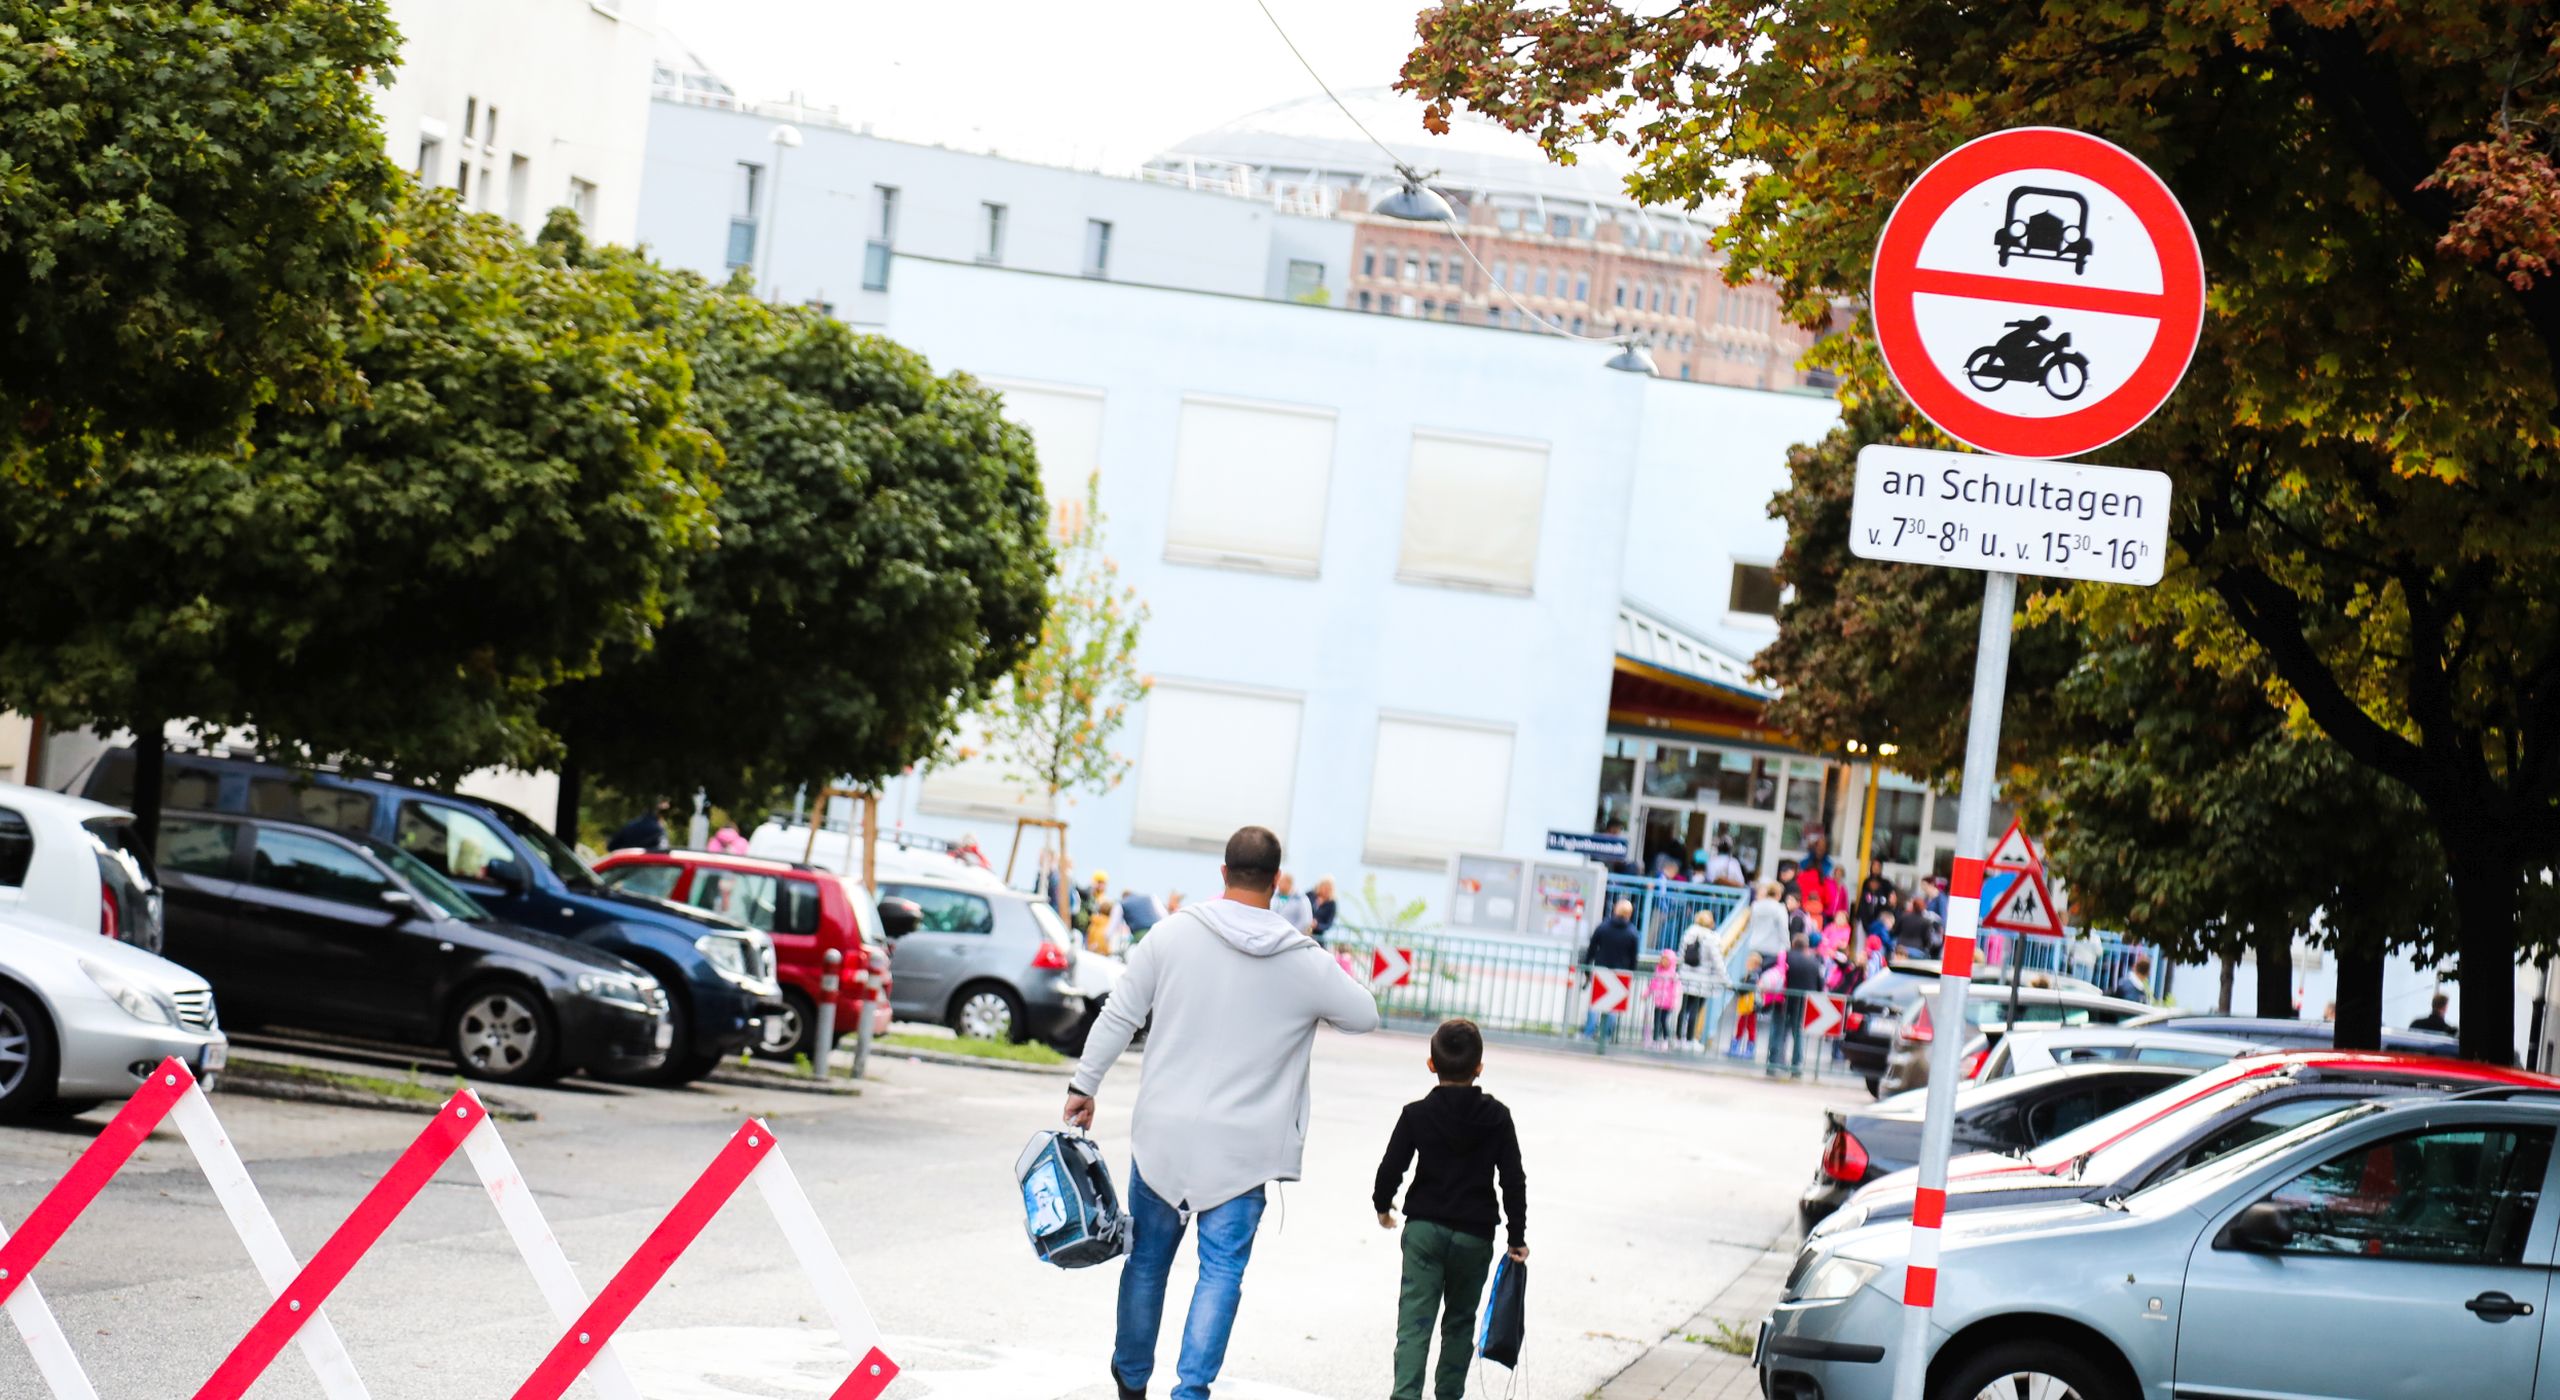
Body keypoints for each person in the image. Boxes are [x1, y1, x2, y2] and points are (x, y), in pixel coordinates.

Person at [1066, 826, 1382, 1400]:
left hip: (1162, 1136)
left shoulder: (1171, 936)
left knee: (1146, 1264)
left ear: (1223, 872)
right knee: (1221, 1274)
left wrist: (1084, 1085)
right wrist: (1310, 981)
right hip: (1245, 1149)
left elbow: (1119, 1014)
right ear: (1277, 879)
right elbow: (1364, 1014)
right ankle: (1191, 1391)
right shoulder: (1302, 959)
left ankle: (1131, 1381)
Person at [1373, 1019, 1528, 1400]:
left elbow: (1391, 1167)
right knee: (1459, 1324)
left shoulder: (1416, 1114)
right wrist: (1517, 1237)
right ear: (1479, 1068)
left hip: (1425, 1230)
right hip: (1474, 1236)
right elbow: (1513, 1179)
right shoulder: (1497, 1117)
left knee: (1414, 1324)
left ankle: (1405, 1395)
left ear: (1431, 1064)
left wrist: (1383, 1206)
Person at [1580, 900, 1641, 1042]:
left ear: (1615, 910)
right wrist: (1632, 972)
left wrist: (1587, 969)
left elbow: (1592, 948)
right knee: (1613, 1006)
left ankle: (1588, 1033)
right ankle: (1605, 1036)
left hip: (1602, 968)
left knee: (1596, 1003)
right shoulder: (1632, 932)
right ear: (1630, 914)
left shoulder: (1603, 927)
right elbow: (1634, 957)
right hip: (1621, 971)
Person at [1766, 932, 1825, 1078]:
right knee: (1798, 1032)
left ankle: (1774, 1063)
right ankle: (1796, 1066)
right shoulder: (1814, 961)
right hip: (1802, 1002)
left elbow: (1769, 971)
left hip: (1783, 1000)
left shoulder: (1785, 956)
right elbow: (1820, 985)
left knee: (1778, 1031)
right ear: (1806, 946)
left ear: (1793, 944)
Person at [1675, 911, 1729, 1047]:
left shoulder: (1688, 934)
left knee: (1684, 1008)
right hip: (1702, 979)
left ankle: (1677, 1038)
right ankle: (1689, 1040)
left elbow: (1681, 956)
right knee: (1695, 1009)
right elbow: (1718, 962)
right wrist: (1726, 980)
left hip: (1687, 976)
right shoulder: (1712, 938)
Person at [1746, 880, 1790, 966]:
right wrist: (1787, 945)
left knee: (1753, 973)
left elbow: (1751, 925)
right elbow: (1783, 929)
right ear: (1779, 894)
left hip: (1755, 945)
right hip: (1772, 948)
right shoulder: (1780, 909)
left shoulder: (1755, 906)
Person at [1729, 954, 1763, 1057]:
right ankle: (1739, 1046)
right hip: (1748, 1005)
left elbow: (1747, 988)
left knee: (1749, 1026)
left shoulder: (1753, 975)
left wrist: (1736, 990)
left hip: (1750, 1005)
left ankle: (1747, 1049)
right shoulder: (1753, 975)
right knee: (1744, 1025)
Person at [1646, 948, 1681, 1044]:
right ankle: (1655, 1039)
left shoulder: (1674, 975)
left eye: (1666, 959)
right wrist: (1646, 993)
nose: (1663, 961)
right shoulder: (1658, 972)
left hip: (1668, 1003)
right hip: (1658, 1001)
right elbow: (1652, 985)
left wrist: (1674, 1000)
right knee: (1656, 1020)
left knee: (1663, 1020)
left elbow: (1676, 989)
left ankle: (1665, 1037)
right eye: (1662, 959)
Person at [1891, 894, 1940, 959]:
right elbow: (1927, 939)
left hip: (1901, 948)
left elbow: (1895, 931)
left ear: (1913, 906)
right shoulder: (1925, 922)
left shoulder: (1904, 917)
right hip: (1917, 949)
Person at [1272, 871, 1314, 936]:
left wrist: (1291, 933)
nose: (1278, 885)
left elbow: (1305, 921)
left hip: (1293, 937)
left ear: (1289, 883)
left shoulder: (1301, 899)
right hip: (1275, 935)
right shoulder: (1274, 897)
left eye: (1281, 882)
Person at [1307, 876, 1338, 946]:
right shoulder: (1310, 895)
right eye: (1324, 886)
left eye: (1328, 888)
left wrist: (1317, 925)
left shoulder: (1332, 903)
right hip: (1303, 931)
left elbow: (1329, 924)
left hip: (1317, 937)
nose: (1326, 890)